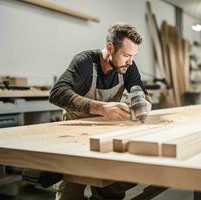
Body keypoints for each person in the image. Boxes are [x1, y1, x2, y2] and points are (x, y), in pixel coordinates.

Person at [49, 23, 151, 200]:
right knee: (70, 191)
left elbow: (139, 89)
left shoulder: (128, 67)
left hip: (106, 136)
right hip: (75, 137)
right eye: (126, 55)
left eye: (133, 56)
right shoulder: (85, 62)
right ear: (110, 47)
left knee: (112, 187)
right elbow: (57, 93)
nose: (131, 61)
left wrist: (144, 102)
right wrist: (100, 107)